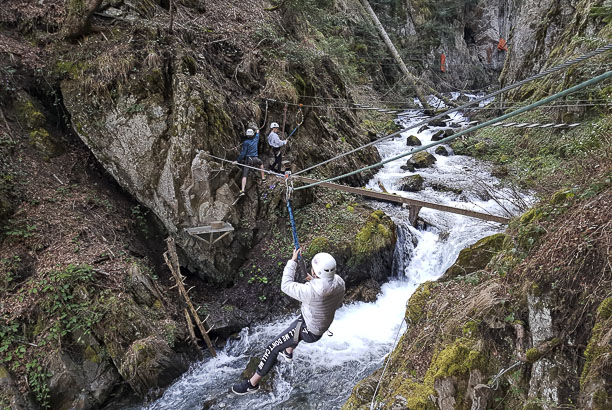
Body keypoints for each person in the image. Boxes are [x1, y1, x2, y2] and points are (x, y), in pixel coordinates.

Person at [232, 248, 345, 395]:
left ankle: (252, 384)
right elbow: (325, 291)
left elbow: (285, 285)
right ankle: (288, 351)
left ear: (316, 272)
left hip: (309, 329)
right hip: (318, 323)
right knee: (294, 328)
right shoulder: (339, 282)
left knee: (272, 348)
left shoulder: (310, 292)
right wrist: (314, 281)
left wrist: (292, 261)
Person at [236, 128, 265, 196]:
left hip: (248, 160)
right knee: (261, 164)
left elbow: (243, 153)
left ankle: (242, 190)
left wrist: (237, 160)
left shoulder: (246, 142)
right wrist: (257, 131)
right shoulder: (256, 139)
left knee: (244, 175)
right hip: (255, 159)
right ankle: (263, 178)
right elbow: (257, 133)